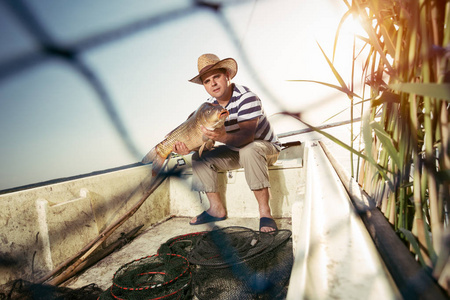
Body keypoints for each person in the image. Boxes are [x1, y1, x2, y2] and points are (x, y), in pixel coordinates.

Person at [173, 53, 281, 232]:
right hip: (235, 150)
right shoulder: (207, 107)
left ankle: (265, 213)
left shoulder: (247, 97)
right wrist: (188, 148)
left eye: (217, 77)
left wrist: (220, 136)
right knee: (201, 158)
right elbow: (204, 142)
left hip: (265, 148)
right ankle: (216, 209)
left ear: (227, 76)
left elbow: (247, 137)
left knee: (249, 149)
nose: (213, 83)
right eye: (207, 81)